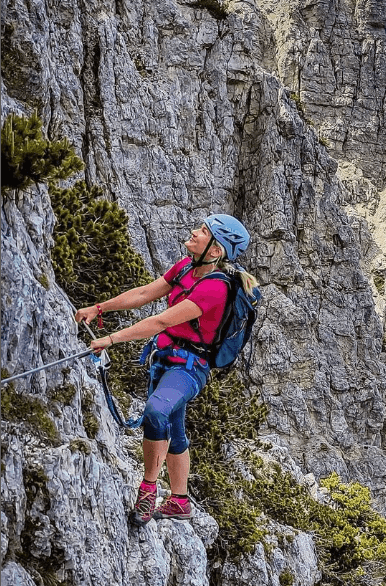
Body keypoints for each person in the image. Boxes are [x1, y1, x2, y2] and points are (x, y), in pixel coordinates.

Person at [75, 214, 257, 525]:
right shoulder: (185, 268)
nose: (194, 232)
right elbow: (145, 293)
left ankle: (148, 490)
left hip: (189, 368)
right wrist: (99, 308)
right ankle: (180, 502)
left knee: (157, 412)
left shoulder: (215, 289)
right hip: (165, 360)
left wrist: (111, 339)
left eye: (203, 232)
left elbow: (162, 320)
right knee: (174, 426)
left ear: (215, 251)